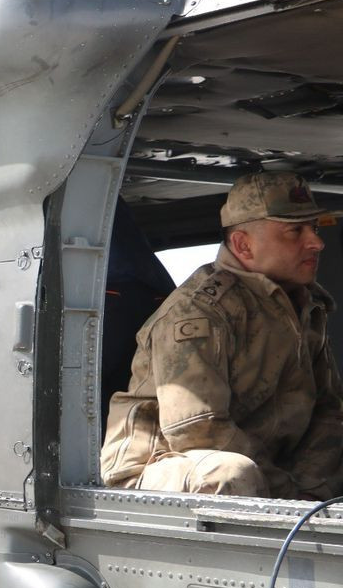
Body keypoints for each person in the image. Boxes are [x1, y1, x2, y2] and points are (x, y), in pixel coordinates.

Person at [101, 172, 342, 499]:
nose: (316, 242)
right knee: (230, 474)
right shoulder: (200, 310)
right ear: (243, 244)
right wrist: (287, 492)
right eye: (294, 231)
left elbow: (329, 412)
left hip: (267, 472)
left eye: (313, 228)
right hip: (158, 468)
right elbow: (197, 430)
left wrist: (311, 487)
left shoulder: (305, 307)